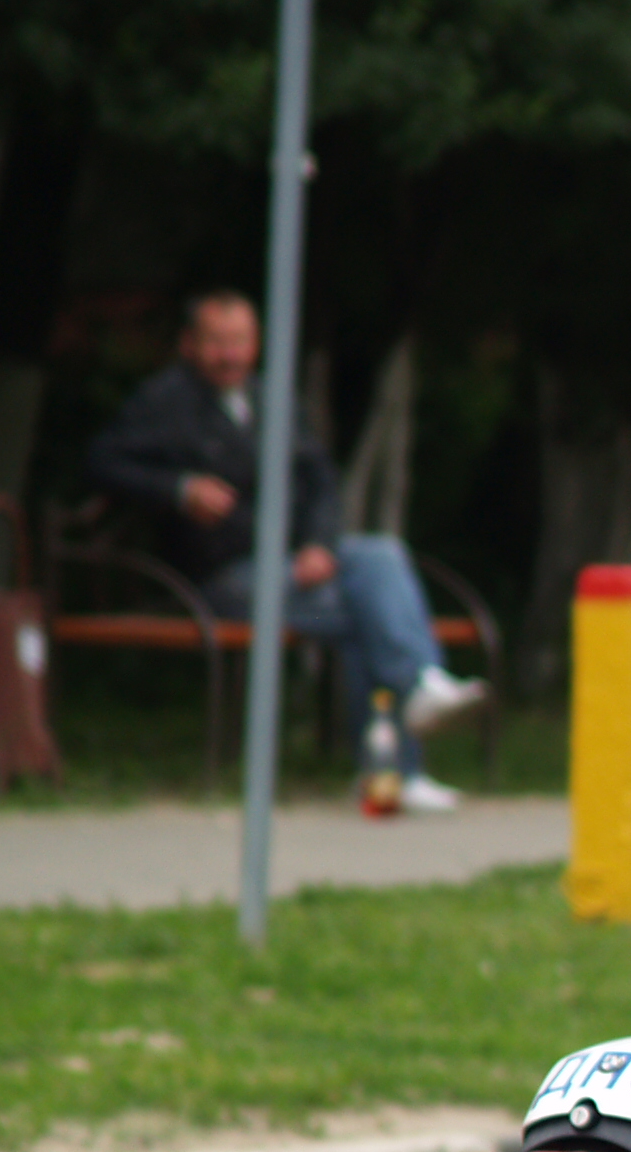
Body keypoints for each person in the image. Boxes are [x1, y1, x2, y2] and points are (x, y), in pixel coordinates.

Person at [84, 291, 485, 811]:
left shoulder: (272, 398)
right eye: (216, 342)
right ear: (189, 345)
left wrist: (319, 545)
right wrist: (179, 489)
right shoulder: (163, 401)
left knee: (381, 555)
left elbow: (320, 480)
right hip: (215, 574)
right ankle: (399, 755)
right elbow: (102, 463)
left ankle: (414, 709)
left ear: (255, 344)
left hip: (291, 564)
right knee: (369, 611)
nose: (229, 355)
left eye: (239, 341)